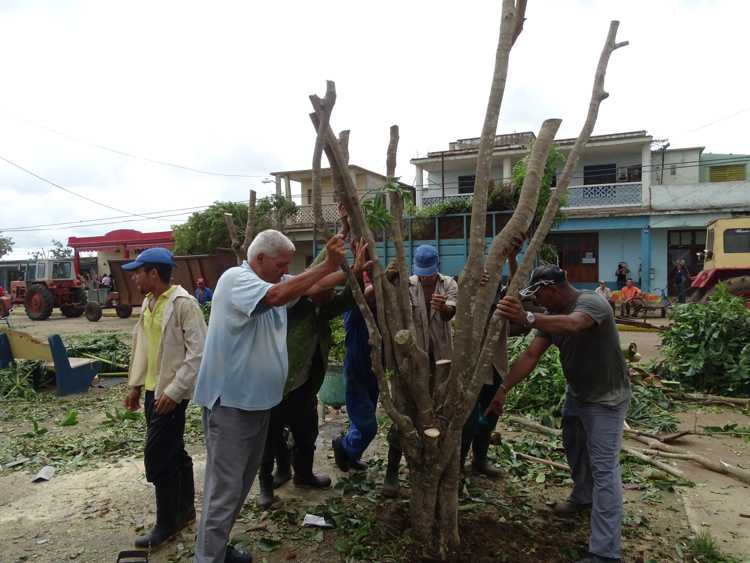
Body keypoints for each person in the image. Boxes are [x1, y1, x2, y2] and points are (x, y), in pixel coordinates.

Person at [192, 229, 346, 563]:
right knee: (224, 490)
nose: (284, 270)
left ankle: (217, 549)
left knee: (238, 486)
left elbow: (313, 286)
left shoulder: (268, 282)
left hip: (256, 404)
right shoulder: (237, 279)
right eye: (280, 264)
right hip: (231, 406)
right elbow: (278, 294)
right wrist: (326, 265)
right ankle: (208, 558)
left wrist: (353, 268)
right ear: (259, 258)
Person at [486, 265, 631, 563]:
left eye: (539, 297)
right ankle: (582, 497)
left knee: (605, 471)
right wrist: (503, 389)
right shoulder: (551, 318)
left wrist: (526, 316)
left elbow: (574, 325)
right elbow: (530, 355)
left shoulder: (591, 303)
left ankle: (605, 553)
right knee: (574, 446)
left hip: (606, 401)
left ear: (552, 289)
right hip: (577, 395)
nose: (539, 304)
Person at [257, 239, 371, 509]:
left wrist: (357, 269)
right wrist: (339, 260)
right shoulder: (291, 307)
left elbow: (347, 297)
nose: (328, 295)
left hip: (305, 386)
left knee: (306, 434)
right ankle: (267, 484)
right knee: (270, 438)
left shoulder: (324, 309)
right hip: (276, 385)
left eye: (330, 293)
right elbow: (317, 272)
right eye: (324, 291)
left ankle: (303, 475)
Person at [122, 247, 207, 550]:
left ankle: (166, 523)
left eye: (138, 272)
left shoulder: (185, 304)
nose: (134, 278)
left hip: (171, 394)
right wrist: (134, 386)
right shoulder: (149, 303)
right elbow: (143, 347)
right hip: (150, 391)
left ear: (153, 274)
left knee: (157, 456)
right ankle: (184, 512)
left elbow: (198, 353)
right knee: (174, 451)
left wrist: (174, 391)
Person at [381, 244, 458, 497]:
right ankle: (392, 471)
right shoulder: (407, 284)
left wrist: (444, 307)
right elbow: (389, 306)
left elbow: (450, 315)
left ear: (437, 268)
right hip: (412, 361)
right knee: (404, 413)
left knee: (438, 414)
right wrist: (388, 281)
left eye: (429, 272)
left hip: (441, 360)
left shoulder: (448, 285)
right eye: (421, 272)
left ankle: (434, 470)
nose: (425, 277)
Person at [331, 272, 378, 473]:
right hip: (356, 371)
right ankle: (344, 446)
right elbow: (365, 296)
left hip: (374, 370)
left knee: (361, 418)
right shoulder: (352, 307)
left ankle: (352, 455)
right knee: (368, 425)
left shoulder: (378, 307)